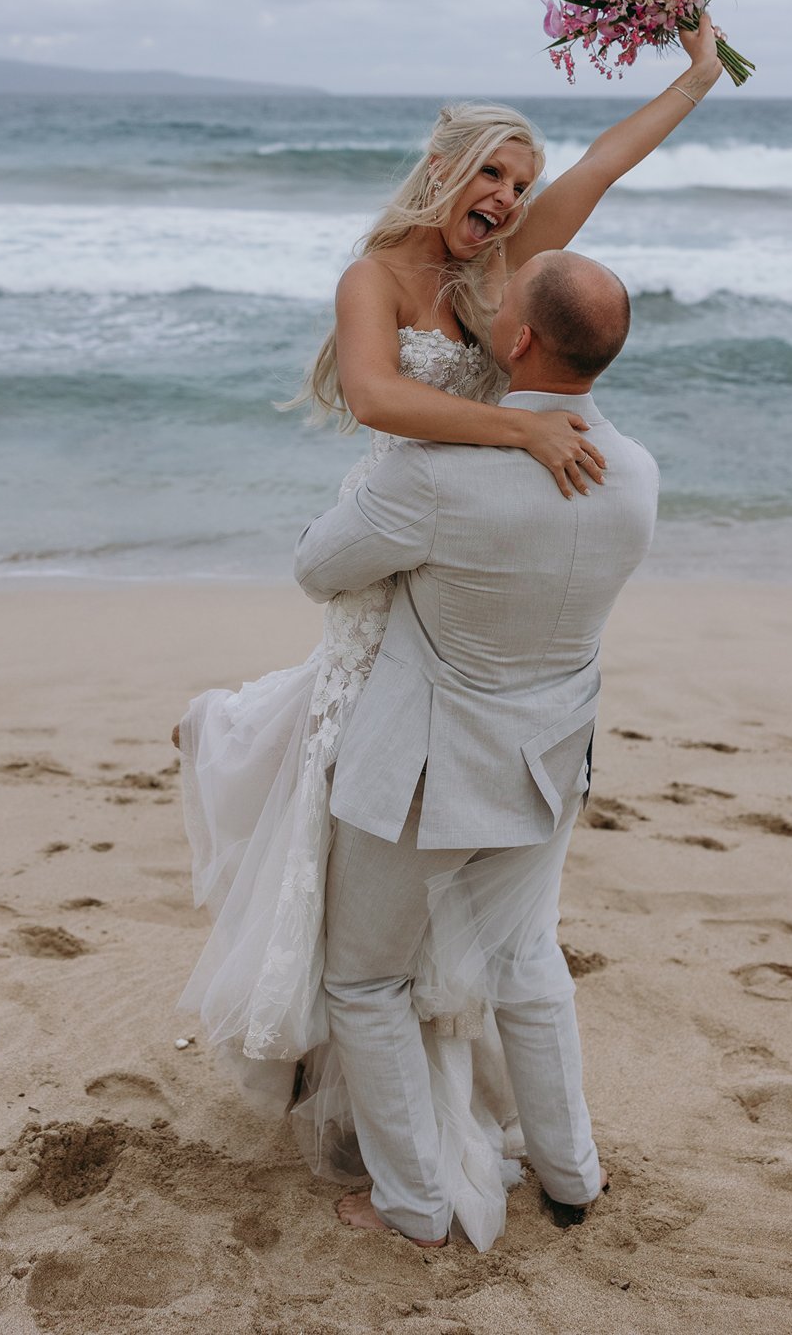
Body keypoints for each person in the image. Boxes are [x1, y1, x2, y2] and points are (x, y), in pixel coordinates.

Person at [172, 22, 722, 1247]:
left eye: (524, 187)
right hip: (421, 541)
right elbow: (376, 397)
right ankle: (482, 1136)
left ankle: (411, 1168)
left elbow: (610, 165)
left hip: (444, 549)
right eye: (494, 178)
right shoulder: (375, 274)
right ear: (444, 170)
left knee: (381, 887)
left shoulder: (516, 264)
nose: (513, 202)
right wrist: (520, 433)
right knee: (337, 790)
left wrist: (692, 74)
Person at [294, 251, 658, 1247]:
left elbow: (318, 569)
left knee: (365, 982)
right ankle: (571, 1173)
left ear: (521, 341)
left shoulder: (434, 475)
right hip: (551, 763)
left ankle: (411, 1206)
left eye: (511, 295)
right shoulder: (638, 475)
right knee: (528, 960)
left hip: (424, 774)